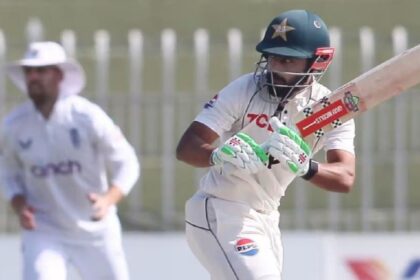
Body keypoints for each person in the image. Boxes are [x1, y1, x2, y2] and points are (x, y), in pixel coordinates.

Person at [176, 9, 355, 280]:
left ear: (316, 62)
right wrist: (217, 155)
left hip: (267, 217)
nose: (275, 68)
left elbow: (345, 178)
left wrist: (307, 167)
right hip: (220, 209)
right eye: (272, 57)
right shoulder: (244, 89)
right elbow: (187, 146)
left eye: (288, 60)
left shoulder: (329, 109)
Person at [0, 41, 140, 280]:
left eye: (41, 70)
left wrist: (108, 199)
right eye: (28, 71)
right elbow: (7, 172)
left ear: (59, 75)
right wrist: (19, 204)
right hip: (44, 231)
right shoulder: (14, 125)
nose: (33, 77)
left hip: (96, 231)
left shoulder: (87, 117)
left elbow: (127, 163)